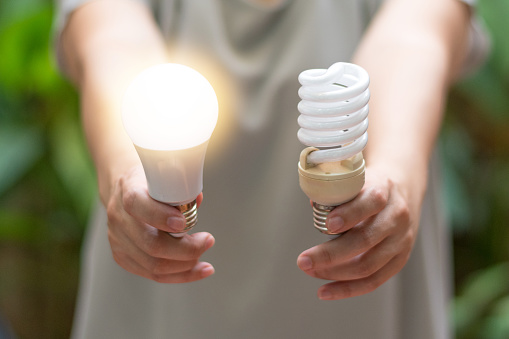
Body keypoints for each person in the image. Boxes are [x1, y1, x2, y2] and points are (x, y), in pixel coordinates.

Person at [54, 0, 487, 338]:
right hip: (158, 299)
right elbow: (111, 36)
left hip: (360, 307)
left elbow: (415, 33)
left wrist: (396, 169)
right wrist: (126, 172)